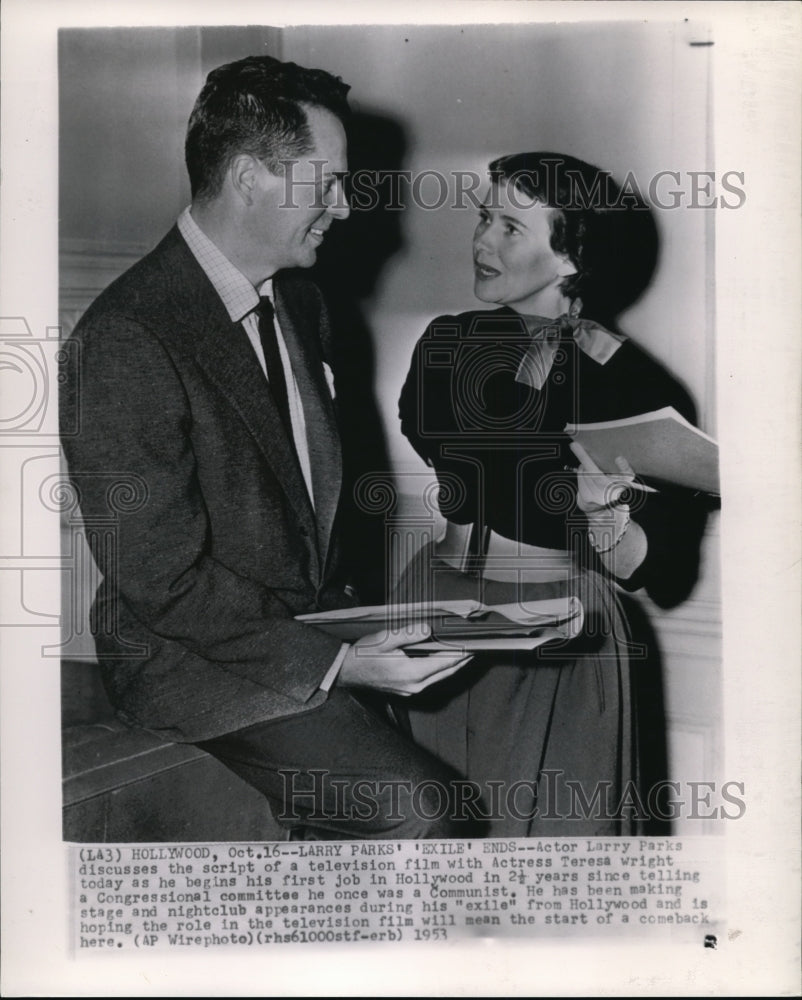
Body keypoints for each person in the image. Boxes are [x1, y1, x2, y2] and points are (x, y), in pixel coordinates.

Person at [59, 55, 475, 840]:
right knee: (424, 811)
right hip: (190, 664)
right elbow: (161, 582)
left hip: (308, 629)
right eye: (328, 184)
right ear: (251, 177)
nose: (346, 209)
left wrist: (354, 631)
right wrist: (336, 664)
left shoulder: (302, 302)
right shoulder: (123, 338)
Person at [397, 151, 708, 836]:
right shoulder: (447, 344)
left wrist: (603, 518)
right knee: (427, 857)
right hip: (437, 606)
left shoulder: (638, 389)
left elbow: (661, 572)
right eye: (484, 218)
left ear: (569, 258)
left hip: (559, 638)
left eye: (510, 228)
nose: (481, 241)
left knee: (537, 875)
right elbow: (445, 445)